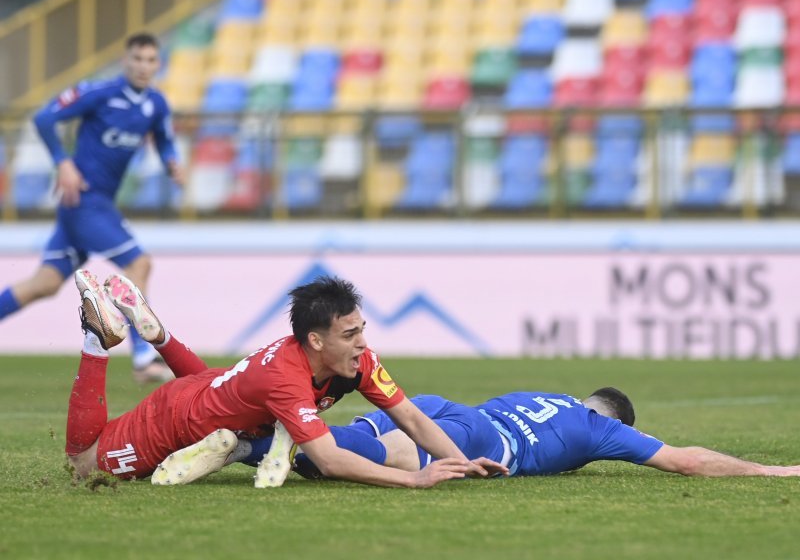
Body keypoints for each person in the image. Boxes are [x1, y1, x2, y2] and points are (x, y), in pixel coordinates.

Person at [64, 269, 507, 489]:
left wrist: (461, 461)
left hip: (214, 389)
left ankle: (160, 335)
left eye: (362, 329)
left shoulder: (358, 359)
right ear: (316, 341)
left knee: (228, 396)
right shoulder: (287, 378)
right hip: (170, 421)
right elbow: (329, 461)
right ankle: (97, 341)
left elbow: (408, 415)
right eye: (350, 334)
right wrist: (413, 479)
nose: (362, 342)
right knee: (82, 464)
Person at [0, 32, 183, 384]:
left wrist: (172, 161)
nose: (143, 66)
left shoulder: (156, 105)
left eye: (150, 60)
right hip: (86, 200)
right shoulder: (100, 94)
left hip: (87, 207)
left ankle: (144, 358)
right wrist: (63, 163)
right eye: (137, 59)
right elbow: (44, 118)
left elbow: (163, 139)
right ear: (125, 60)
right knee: (139, 263)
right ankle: (144, 359)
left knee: (44, 283)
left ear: (158, 64)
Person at [228, 389, 800, 480]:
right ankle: (253, 447)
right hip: (480, 439)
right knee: (390, 460)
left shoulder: (545, 393)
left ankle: (254, 438)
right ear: (615, 419)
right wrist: (775, 471)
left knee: (353, 436)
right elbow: (685, 461)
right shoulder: (601, 429)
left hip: (439, 405)